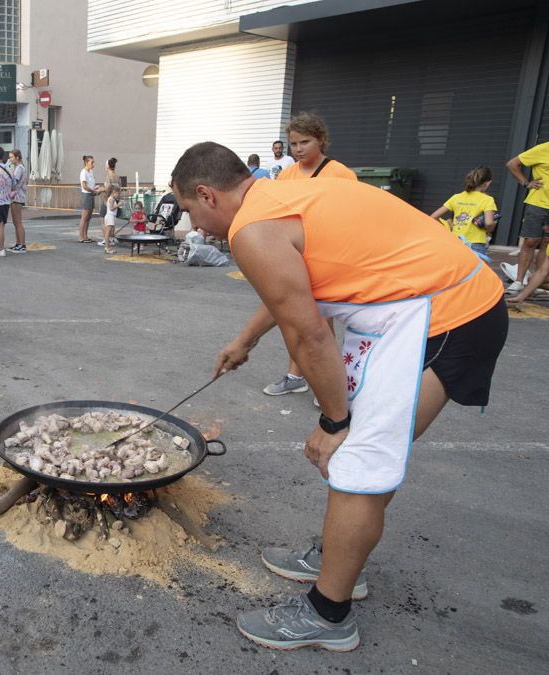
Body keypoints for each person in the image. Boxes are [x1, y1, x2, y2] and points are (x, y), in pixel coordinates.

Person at [171, 140, 506, 652]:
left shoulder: (250, 231)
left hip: (447, 316)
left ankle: (330, 615)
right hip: (430, 305)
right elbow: (296, 289)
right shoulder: (281, 195)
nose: (194, 226)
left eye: (191, 211)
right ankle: (337, 557)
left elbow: (309, 335)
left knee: (356, 462)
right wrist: (245, 340)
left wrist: (333, 422)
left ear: (206, 194)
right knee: (365, 461)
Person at [264, 113, 357, 399]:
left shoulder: (339, 173)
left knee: (320, 320)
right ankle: (297, 375)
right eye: (293, 143)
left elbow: (355, 213)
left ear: (321, 140)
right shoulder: (288, 174)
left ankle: (326, 381)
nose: (298, 148)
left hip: (327, 254)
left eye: (305, 142)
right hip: (294, 255)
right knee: (296, 317)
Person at [504, 141, 549, 294]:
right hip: (538, 203)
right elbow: (512, 164)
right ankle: (519, 281)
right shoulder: (543, 148)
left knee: (546, 244)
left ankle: (538, 282)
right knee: (531, 241)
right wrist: (526, 183)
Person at [429, 167, 497, 255]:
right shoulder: (487, 200)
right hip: (475, 243)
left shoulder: (456, 197)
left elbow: (433, 216)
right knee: (475, 268)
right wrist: (489, 229)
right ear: (487, 183)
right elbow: (488, 223)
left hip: (455, 242)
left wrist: (448, 227)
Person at [78, 155, 103, 243]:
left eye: (93, 162)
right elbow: (84, 186)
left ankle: (85, 236)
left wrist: (96, 188)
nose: (93, 164)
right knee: (84, 217)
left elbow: (91, 184)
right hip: (86, 195)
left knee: (88, 217)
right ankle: (81, 237)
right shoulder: (83, 172)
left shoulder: (90, 172)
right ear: (86, 163)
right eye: (92, 162)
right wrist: (93, 190)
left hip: (91, 194)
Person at [7, 149, 27, 252]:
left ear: (17, 157)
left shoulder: (19, 168)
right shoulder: (18, 167)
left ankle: (22, 244)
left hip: (17, 197)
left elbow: (14, 182)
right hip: (17, 196)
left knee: (18, 222)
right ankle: (18, 243)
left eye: (11, 157)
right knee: (16, 222)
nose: (10, 159)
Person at [99, 158, 122, 246]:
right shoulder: (117, 176)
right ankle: (112, 239)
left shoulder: (109, 176)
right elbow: (118, 189)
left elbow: (108, 188)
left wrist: (101, 190)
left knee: (102, 220)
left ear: (107, 166)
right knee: (111, 221)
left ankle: (106, 239)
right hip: (116, 200)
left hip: (108, 200)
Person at [101, 185, 121, 255]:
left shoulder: (111, 198)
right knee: (108, 233)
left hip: (110, 216)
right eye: (118, 193)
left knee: (109, 232)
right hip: (110, 216)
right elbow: (111, 208)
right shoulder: (111, 199)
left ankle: (108, 247)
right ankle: (107, 247)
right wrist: (118, 205)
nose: (118, 195)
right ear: (114, 192)